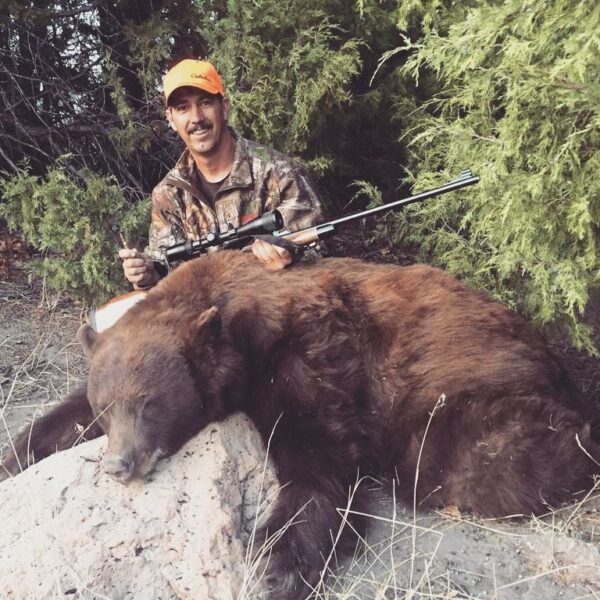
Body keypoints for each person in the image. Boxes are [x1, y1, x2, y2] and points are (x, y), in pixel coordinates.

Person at [120, 58, 325, 290]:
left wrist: (288, 258)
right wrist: (147, 275)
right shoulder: (168, 194)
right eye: (182, 108)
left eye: (205, 102)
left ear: (224, 107)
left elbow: (318, 255)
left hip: (274, 307)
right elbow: (165, 267)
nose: (196, 118)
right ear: (171, 119)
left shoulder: (278, 173)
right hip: (205, 316)